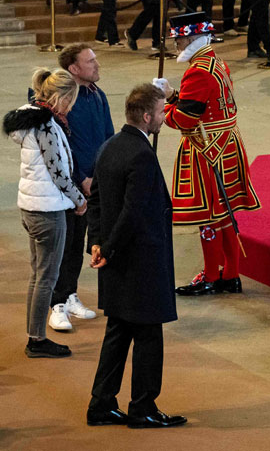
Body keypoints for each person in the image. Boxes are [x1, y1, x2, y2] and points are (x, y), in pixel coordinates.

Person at [86, 83, 187, 429]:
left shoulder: (110, 146)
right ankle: (143, 407)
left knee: (118, 332)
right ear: (146, 116)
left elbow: (96, 199)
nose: (164, 117)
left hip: (115, 264)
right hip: (141, 264)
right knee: (147, 335)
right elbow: (134, 212)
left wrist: (98, 243)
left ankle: (101, 403)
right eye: (161, 112)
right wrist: (109, 246)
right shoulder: (141, 154)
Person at [157, 11, 261, 296]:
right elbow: (202, 105)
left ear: (190, 38)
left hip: (207, 149)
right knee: (224, 212)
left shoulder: (197, 71)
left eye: (179, 40)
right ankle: (230, 274)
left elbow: (184, 119)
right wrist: (173, 96)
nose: (176, 46)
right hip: (225, 143)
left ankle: (213, 276)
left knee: (209, 215)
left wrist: (163, 108)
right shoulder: (215, 62)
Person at [3, 68, 84, 358]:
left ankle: (34, 334)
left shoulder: (31, 120)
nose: (72, 107)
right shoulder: (47, 126)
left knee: (38, 276)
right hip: (47, 211)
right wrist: (78, 199)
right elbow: (58, 171)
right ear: (62, 97)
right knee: (46, 278)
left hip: (31, 206)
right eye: (71, 100)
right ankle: (37, 340)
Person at [48, 44, 112, 333]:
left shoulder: (98, 95)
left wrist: (101, 178)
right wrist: (81, 178)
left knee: (77, 244)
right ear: (73, 69)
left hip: (91, 186)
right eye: (90, 61)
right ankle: (55, 304)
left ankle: (69, 293)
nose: (97, 65)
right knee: (62, 245)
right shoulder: (62, 101)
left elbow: (108, 138)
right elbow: (61, 147)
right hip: (67, 188)